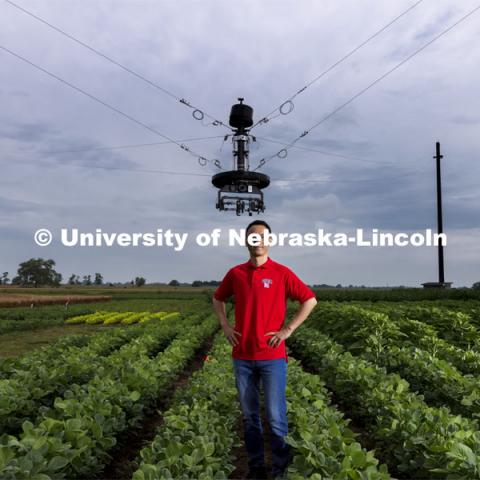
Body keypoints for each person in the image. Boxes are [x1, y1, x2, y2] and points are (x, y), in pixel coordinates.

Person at [212, 220, 318, 479]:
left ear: (269, 241)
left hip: (272, 358)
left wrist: (288, 330)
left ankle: (280, 469)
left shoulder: (282, 273)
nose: (257, 241)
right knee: (250, 418)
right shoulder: (236, 273)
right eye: (252, 237)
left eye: (262, 236)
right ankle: (257, 467)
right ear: (247, 241)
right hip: (243, 358)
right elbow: (218, 297)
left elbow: (310, 300)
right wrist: (225, 325)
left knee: (275, 416)